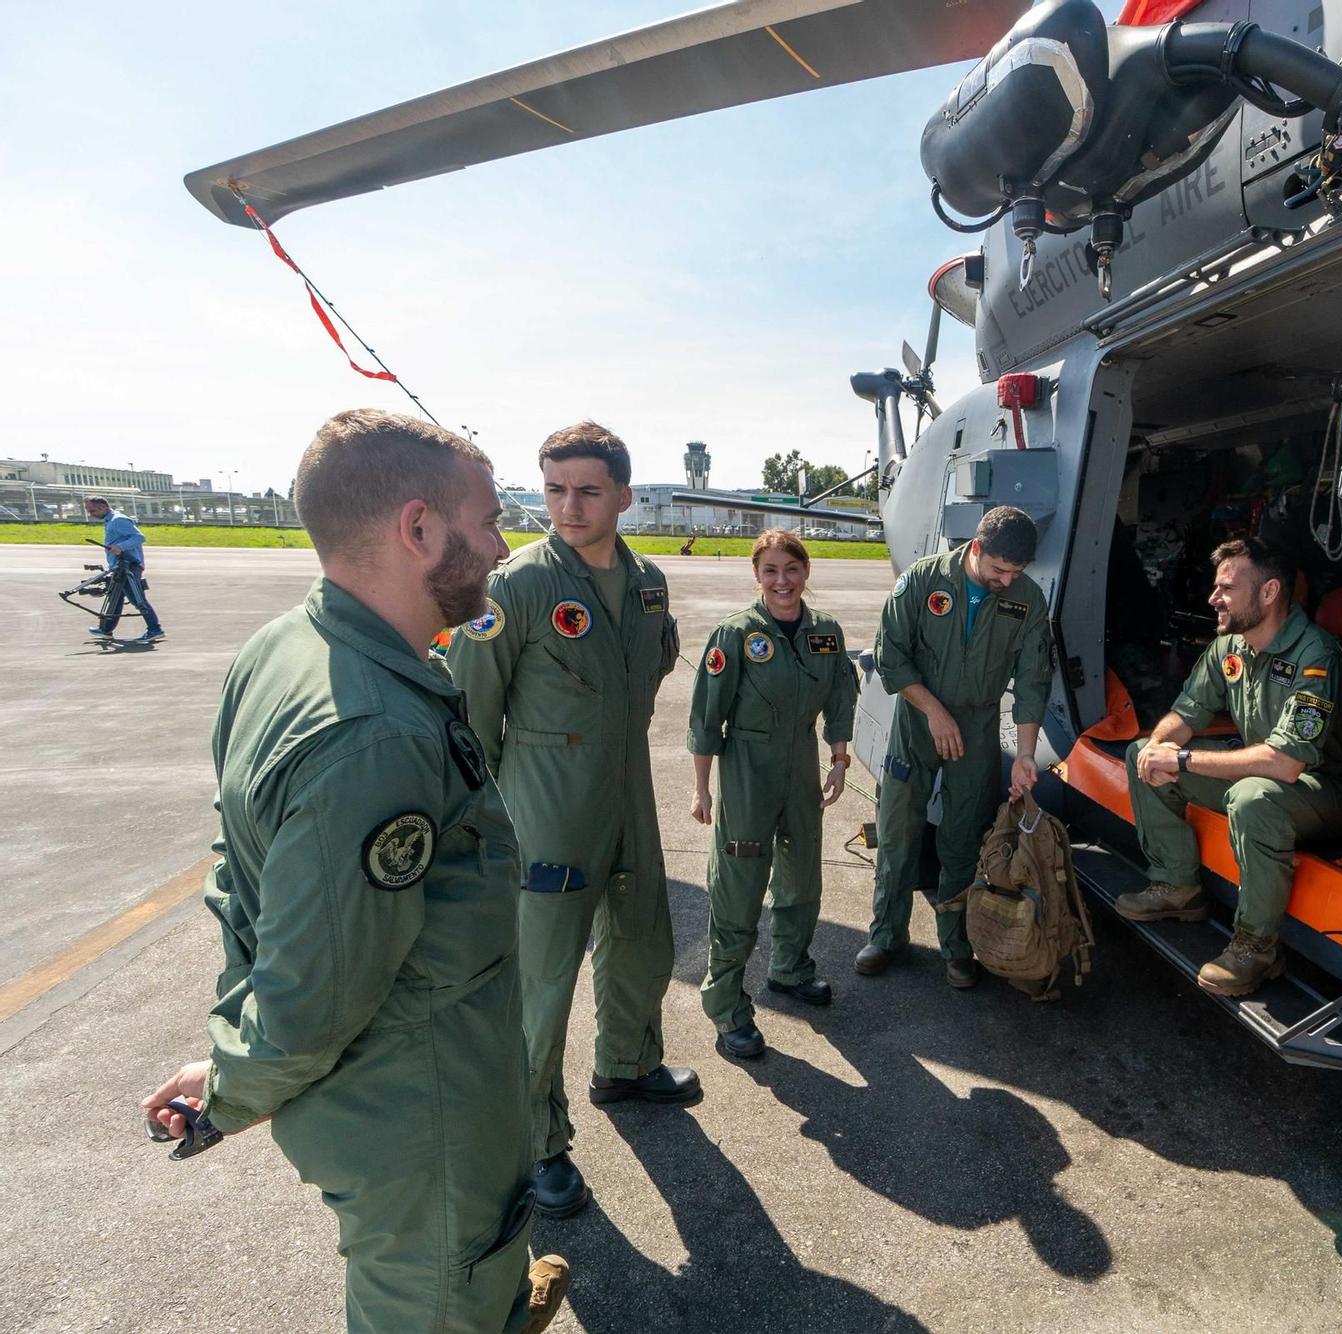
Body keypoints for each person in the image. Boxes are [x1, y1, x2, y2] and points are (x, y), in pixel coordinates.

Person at [141, 409, 568, 1333]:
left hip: (405, 1100)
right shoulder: (372, 731)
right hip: (422, 1120)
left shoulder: (289, 646)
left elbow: (248, 883)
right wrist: (225, 1087)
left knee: (457, 1281)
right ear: (419, 530)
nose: (502, 544)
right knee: (435, 1295)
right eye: (489, 520)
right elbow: (308, 1002)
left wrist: (226, 1056)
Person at [449, 420, 694, 1220]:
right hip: (546, 810)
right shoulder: (513, 588)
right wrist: (485, 827)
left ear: (624, 496)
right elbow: (472, 720)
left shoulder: (649, 582)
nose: (569, 506)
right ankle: (536, 1143)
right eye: (555, 489)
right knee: (542, 986)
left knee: (641, 942)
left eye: (588, 490)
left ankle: (625, 1065)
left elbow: (649, 670)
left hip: (626, 795)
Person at [1116, 537, 1342, 996]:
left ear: (1268, 593)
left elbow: (1287, 763)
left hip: (1328, 790)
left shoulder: (1315, 656)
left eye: (1227, 588)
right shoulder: (1229, 646)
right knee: (1141, 753)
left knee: (1251, 799)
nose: (1213, 598)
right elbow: (1187, 712)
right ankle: (1176, 885)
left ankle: (1258, 947)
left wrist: (1183, 758)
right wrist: (1160, 746)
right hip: (1270, 776)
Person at [862, 506, 1053, 989]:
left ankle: (957, 944)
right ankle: (886, 935)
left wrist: (1027, 753)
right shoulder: (922, 582)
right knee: (899, 827)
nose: (1006, 581)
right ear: (976, 549)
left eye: (1016, 572)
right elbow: (891, 656)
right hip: (918, 716)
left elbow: (1033, 679)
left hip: (979, 724)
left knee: (964, 835)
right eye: (998, 570)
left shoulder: (1027, 601)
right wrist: (933, 711)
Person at [687, 529, 859, 1059]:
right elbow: (706, 719)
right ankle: (726, 1006)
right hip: (747, 768)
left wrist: (838, 759)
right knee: (739, 883)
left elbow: (840, 697)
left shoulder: (825, 632)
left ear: (806, 572)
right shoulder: (735, 635)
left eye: (791, 569)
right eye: (770, 571)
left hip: (801, 767)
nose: (782, 581)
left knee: (803, 874)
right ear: (756, 576)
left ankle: (790, 968)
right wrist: (702, 790)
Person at [82, 495, 165, 642]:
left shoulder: (118, 520)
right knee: (116, 597)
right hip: (119, 567)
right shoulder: (110, 521)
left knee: (137, 600)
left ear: (103, 507)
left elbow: (139, 538)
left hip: (129, 567)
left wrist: (120, 547)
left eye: (92, 511)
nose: (91, 514)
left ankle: (155, 629)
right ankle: (106, 630)